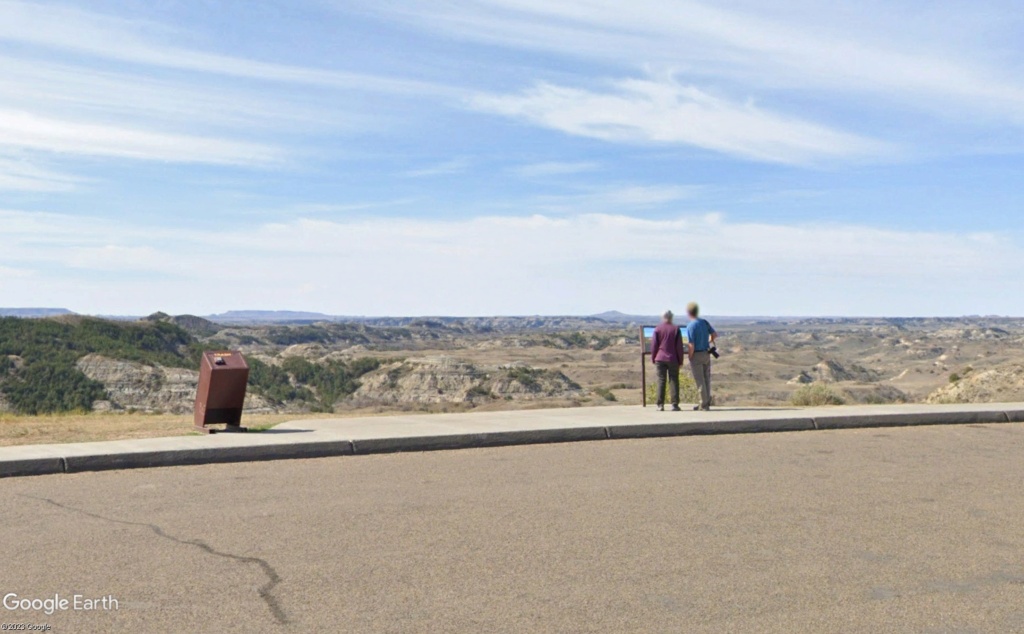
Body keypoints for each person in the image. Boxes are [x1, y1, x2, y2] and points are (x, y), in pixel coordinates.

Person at [650, 310, 687, 411]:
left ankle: (660, 404)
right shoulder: (676, 329)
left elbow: (654, 346)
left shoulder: (658, 329)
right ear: (672, 317)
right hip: (673, 358)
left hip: (660, 358)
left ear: (662, 317)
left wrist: (653, 358)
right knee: (674, 380)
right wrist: (681, 360)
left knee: (661, 380)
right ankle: (674, 405)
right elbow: (679, 347)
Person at [686, 302, 717, 411]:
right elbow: (714, 334)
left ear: (689, 313)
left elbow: (691, 344)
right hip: (706, 353)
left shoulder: (690, 326)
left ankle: (703, 405)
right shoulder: (704, 322)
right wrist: (709, 341)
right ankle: (707, 402)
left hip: (697, 354)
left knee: (700, 380)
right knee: (706, 379)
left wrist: (690, 356)